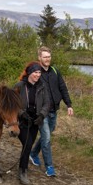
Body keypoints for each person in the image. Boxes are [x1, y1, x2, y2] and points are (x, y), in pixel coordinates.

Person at [30, 46, 74, 177]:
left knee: (46, 136)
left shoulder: (55, 70)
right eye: (44, 57)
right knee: (47, 139)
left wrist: (69, 104)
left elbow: (62, 87)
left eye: (49, 56)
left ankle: (33, 154)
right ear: (39, 58)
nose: (47, 59)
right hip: (42, 112)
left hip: (54, 110)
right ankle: (49, 167)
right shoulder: (36, 73)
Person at [13, 61, 50, 185]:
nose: (38, 75)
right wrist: (21, 113)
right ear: (29, 73)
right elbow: (12, 104)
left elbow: (47, 103)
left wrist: (41, 116)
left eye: (39, 72)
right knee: (27, 144)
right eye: (35, 72)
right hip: (21, 122)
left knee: (28, 146)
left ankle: (22, 169)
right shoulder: (19, 86)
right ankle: (23, 172)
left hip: (35, 122)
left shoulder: (42, 86)